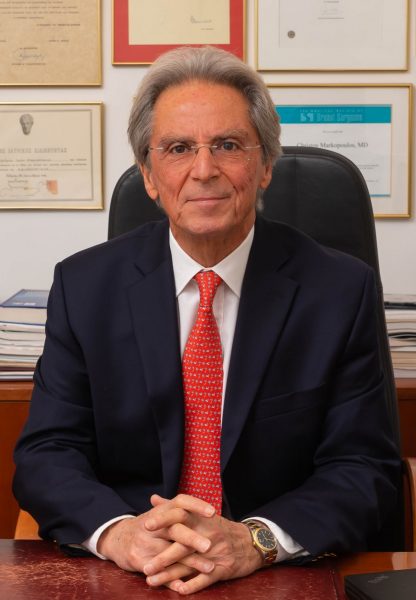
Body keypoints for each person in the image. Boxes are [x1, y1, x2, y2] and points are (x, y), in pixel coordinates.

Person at [13, 46, 400, 595]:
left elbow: (364, 468)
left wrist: (255, 541)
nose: (203, 170)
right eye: (178, 149)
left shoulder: (340, 290)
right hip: (133, 572)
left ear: (265, 165)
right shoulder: (84, 287)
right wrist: (120, 534)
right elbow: (47, 453)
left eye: (228, 145)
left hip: (275, 573)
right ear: (149, 174)